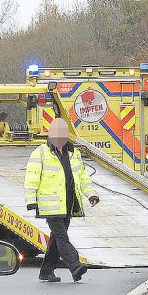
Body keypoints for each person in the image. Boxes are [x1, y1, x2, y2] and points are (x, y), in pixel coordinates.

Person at [24, 119, 100, 283]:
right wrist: (31, 200)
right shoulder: (40, 153)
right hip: (50, 206)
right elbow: (31, 178)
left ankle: (46, 271)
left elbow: (83, 177)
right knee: (61, 237)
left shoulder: (74, 153)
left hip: (68, 205)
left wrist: (91, 195)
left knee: (56, 239)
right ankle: (75, 266)